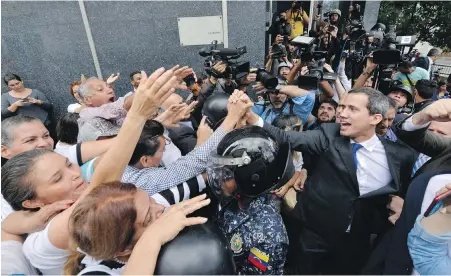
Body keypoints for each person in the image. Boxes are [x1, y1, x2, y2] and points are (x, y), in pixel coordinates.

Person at [0, 68, 187, 275]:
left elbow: (114, 151)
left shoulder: (57, 156)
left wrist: (154, 124)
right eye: (30, 140)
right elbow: (103, 179)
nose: (43, 144)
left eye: (45, 135)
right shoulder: (42, 239)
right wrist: (137, 114)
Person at [242, 87, 417, 274]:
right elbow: (285, 138)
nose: (342, 113)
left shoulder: (401, 156)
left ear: (375, 118)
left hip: (359, 239)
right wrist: (253, 118)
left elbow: (400, 192)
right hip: (314, 233)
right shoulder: (328, 134)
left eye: (352, 109)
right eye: (341, 107)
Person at [207, 121, 293, 274]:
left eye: (227, 174)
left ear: (250, 180)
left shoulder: (269, 237)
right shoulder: (234, 198)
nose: (220, 179)